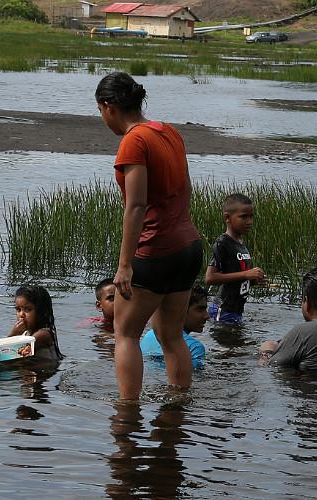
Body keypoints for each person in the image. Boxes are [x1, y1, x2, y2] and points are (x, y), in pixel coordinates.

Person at [96, 71, 203, 400]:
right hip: (188, 247)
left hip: (155, 251)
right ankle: (177, 407)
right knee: (171, 335)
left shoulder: (134, 140)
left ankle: (127, 415)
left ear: (109, 107)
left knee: (125, 334)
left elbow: (137, 205)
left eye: (100, 111)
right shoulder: (168, 132)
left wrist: (125, 264)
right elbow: (186, 190)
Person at [205, 193, 265, 325]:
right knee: (226, 345)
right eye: (243, 217)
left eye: (251, 216)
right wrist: (246, 274)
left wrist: (254, 280)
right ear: (228, 217)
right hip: (223, 311)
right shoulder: (222, 243)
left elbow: (237, 278)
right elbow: (210, 278)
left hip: (236, 312)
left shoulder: (241, 244)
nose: (249, 221)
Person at [0, 285, 64, 365]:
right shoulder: (26, 333)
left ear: (41, 312)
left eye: (28, 310)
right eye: (18, 309)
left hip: (42, 375)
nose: (21, 314)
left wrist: (12, 335)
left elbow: (7, 353)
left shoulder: (43, 334)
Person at [141, 285, 208, 368]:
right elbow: (191, 378)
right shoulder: (195, 347)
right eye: (200, 309)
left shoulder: (150, 334)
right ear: (181, 309)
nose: (207, 316)